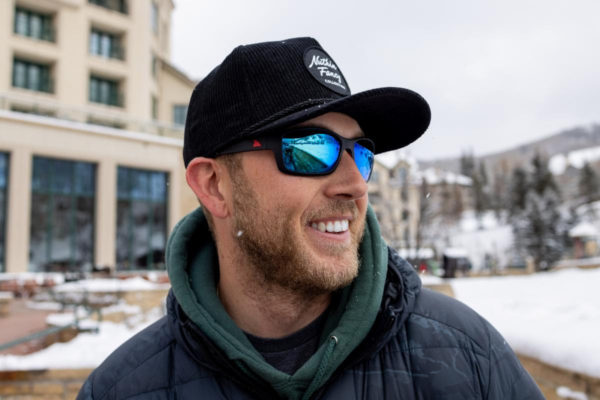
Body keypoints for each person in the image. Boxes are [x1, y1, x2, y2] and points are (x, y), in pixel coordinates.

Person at [77, 37, 544, 400]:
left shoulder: (469, 357)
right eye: (311, 149)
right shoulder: (121, 391)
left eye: (361, 153)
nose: (356, 184)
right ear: (214, 185)